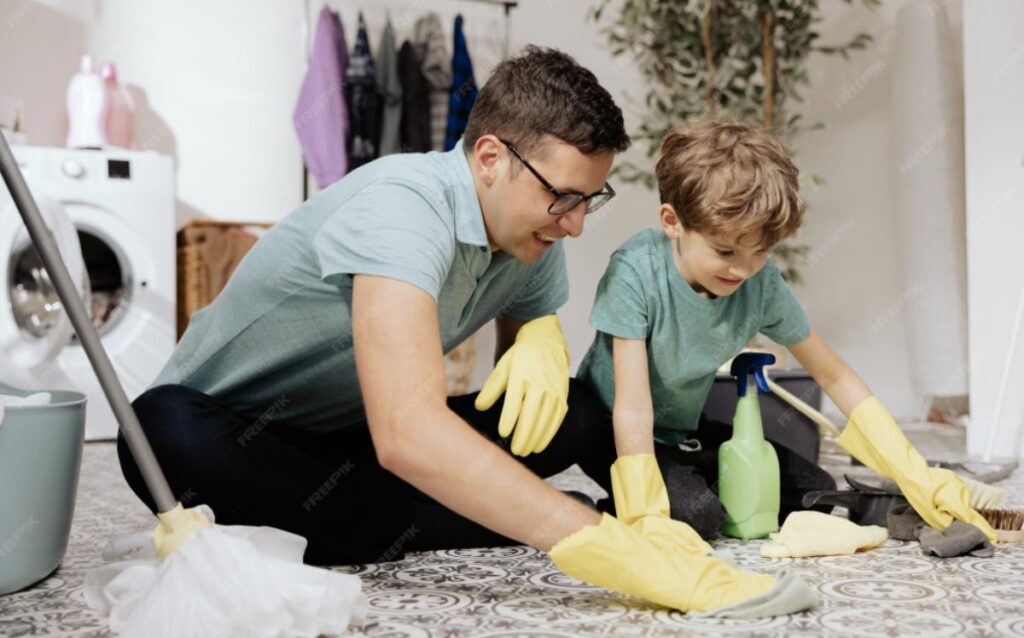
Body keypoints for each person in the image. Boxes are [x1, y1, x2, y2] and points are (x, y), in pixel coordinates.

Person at [119, 48, 800, 617]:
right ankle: (444, 520)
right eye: (561, 197)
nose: (575, 224)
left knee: (582, 409)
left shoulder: (533, 237)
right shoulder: (403, 207)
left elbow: (520, 360)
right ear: (490, 157)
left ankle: (408, 515)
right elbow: (408, 432)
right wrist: (605, 545)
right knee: (157, 426)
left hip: (348, 442)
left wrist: (539, 333)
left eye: (590, 200)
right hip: (241, 435)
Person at [570, 119, 996, 548]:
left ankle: (688, 482)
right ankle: (595, 509)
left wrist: (914, 472)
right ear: (673, 221)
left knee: (813, 491)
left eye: (760, 251)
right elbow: (632, 406)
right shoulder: (635, 271)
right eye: (725, 251)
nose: (743, 269)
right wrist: (645, 507)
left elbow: (834, 375)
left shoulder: (760, 283)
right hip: (612, 427)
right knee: (695, 516)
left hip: (681, 431)